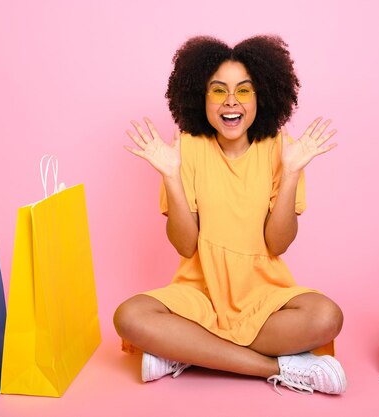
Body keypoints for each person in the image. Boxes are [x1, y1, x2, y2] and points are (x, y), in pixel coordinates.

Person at [113, 35, 346, 395]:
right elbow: (186, 246)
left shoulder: (282, 149)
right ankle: (277, 369)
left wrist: (292, 173)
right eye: (218, 91)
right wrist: (171, 178)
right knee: (128, 316)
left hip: (262, 296)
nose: (231, 102)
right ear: (201, 98)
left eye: (244, 90)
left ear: (262, 96)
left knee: (327, 316)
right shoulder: (186, 147)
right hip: (199, 293)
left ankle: (189, 351)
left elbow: (278, 243)